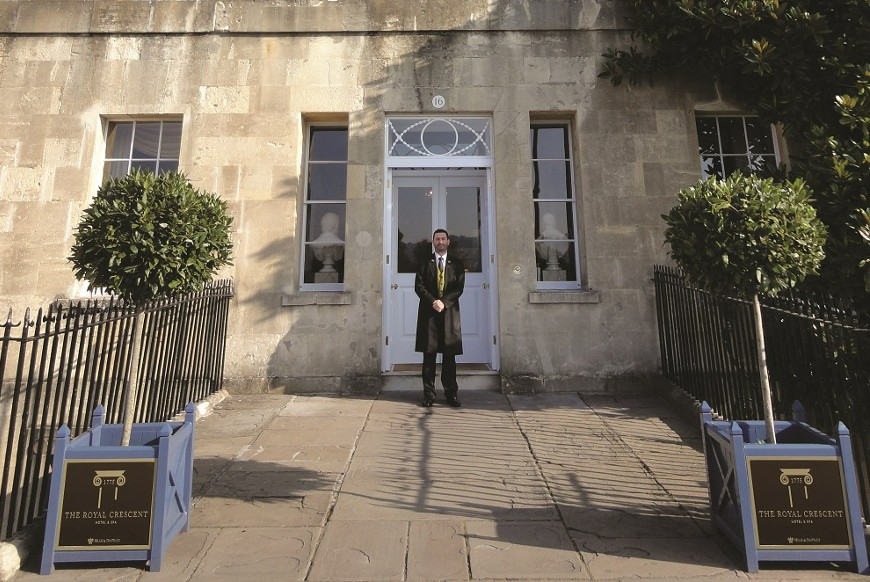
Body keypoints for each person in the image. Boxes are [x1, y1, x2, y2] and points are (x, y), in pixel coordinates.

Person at [415, 229, 465, 408]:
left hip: (449, 314)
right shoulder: (424, 262)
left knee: (449, 357)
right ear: (433, 242)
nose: (441, 242)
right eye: (437, 239)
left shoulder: (457, 264)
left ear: (448, 242)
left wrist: (444, 302)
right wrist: (433, 301)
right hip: (429, 315)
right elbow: (419, 286)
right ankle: (429, 395)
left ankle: (451, 394)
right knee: (429, 357)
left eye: (443, 239)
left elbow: (459, 288)